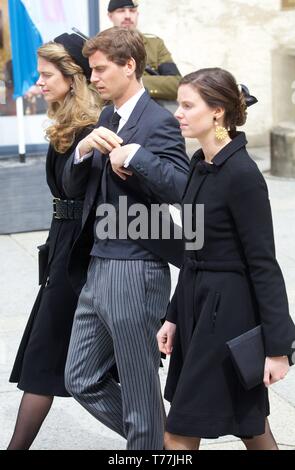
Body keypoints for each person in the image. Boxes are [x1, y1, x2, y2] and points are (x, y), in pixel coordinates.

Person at [157, 68, 295, 450]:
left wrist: (278, 347)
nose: (178, 113)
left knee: (178, 429)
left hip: (228, 314)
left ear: (217, 112)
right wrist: (173, 315)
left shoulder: (242, 173)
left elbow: (264, 263)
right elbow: (193, 249)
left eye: (188, 105)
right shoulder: (199, 163)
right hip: (197, 307)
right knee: (250, 423)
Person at [63, 26, 190, 450]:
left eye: (100, 69)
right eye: (90, 70)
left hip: (135, 266)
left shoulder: (158, 122)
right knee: (79, 377)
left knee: (138, 390)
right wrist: (83, 151)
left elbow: (182, 188)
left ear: (129, 65)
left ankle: (153, 445)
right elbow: (71, 188)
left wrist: (135, 155)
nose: (93, 78)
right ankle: (162, 441)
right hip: (99, 263)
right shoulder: (105, 118)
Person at [8, 33, 101, 450]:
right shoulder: (68, 124)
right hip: (63, 250)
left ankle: (166, 440)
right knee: (48, 357)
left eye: (47, 75)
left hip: (78, 258)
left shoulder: (89, 130)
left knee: (46, 356)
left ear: (72, 77)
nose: (39, 83)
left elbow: (83, 196)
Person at [107, 0, 181, 102]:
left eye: (132, 11)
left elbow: (176, 83)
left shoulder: (155, 45)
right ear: (110, 16)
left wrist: (134, 82)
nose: (128, 15)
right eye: (121, 11)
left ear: (137, 14)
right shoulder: (102, 47)